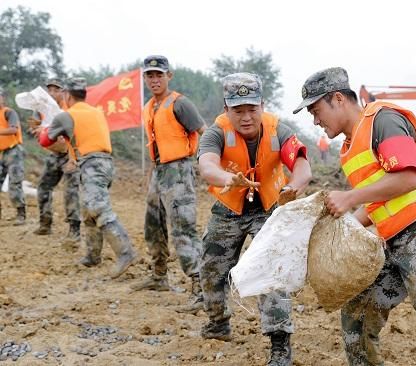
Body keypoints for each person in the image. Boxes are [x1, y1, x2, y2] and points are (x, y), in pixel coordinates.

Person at [293, 67, 416, 365]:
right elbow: (378, 201)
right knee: (357, 313)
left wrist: (349, 197)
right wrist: (341, 228)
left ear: (339, 99)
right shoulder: (350, 147)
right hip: (394, 244)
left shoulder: (383, 120)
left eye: (316, 111)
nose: (316, 121)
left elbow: (407, 178)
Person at [198, 72, 312, 365]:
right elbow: (207, 165)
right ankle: (218, 323)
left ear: (262, 105)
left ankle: (279, 344)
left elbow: (301, 166)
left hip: (268, 209)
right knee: (211, 269)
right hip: (229, 209)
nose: (246, 117)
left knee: (272, 271)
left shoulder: (279, 130)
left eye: (252, 109)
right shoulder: (216, 132)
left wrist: (293, 187)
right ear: (227, 109)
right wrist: (228, 178)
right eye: (238, 110)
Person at [39, 77, 137, 279]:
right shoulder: (96, 111)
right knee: (88, 211)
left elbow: (45, 140)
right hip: (105, 163)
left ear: (67, 95)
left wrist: (45, 127)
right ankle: (92, 256)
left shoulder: (67, 115)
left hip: (91, 164)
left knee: (98, 208)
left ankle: (125, 252)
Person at [131, 55, 206, 313]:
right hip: (159, 172)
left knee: (183, 228)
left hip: (179, 171)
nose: (154, 80)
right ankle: (159, 275)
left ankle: (201, 286)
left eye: (158, 75)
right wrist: (151, 174)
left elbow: (204, 132)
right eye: (149, 75)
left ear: (168, 76)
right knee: (153, 225)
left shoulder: (180, 104)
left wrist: (208, 164)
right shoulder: (149, 106)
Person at [29, 78, 81, 244]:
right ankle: (45, 224)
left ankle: (74, 229)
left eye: (56, 90)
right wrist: (36, 129)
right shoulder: (41, 108)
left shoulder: (69, 108)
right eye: (49, 90)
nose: (52, 93)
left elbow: (77, 131)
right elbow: (34, 126)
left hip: (70, 153)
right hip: (54, 154)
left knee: (70, 190)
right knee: (44, 186)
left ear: (63, 92)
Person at [0, 86, 26, 225]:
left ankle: (20, 214)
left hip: (13, 151)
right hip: (1, 152)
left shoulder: (9, 112)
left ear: (2, 98)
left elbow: (13, 129)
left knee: (15, 183)